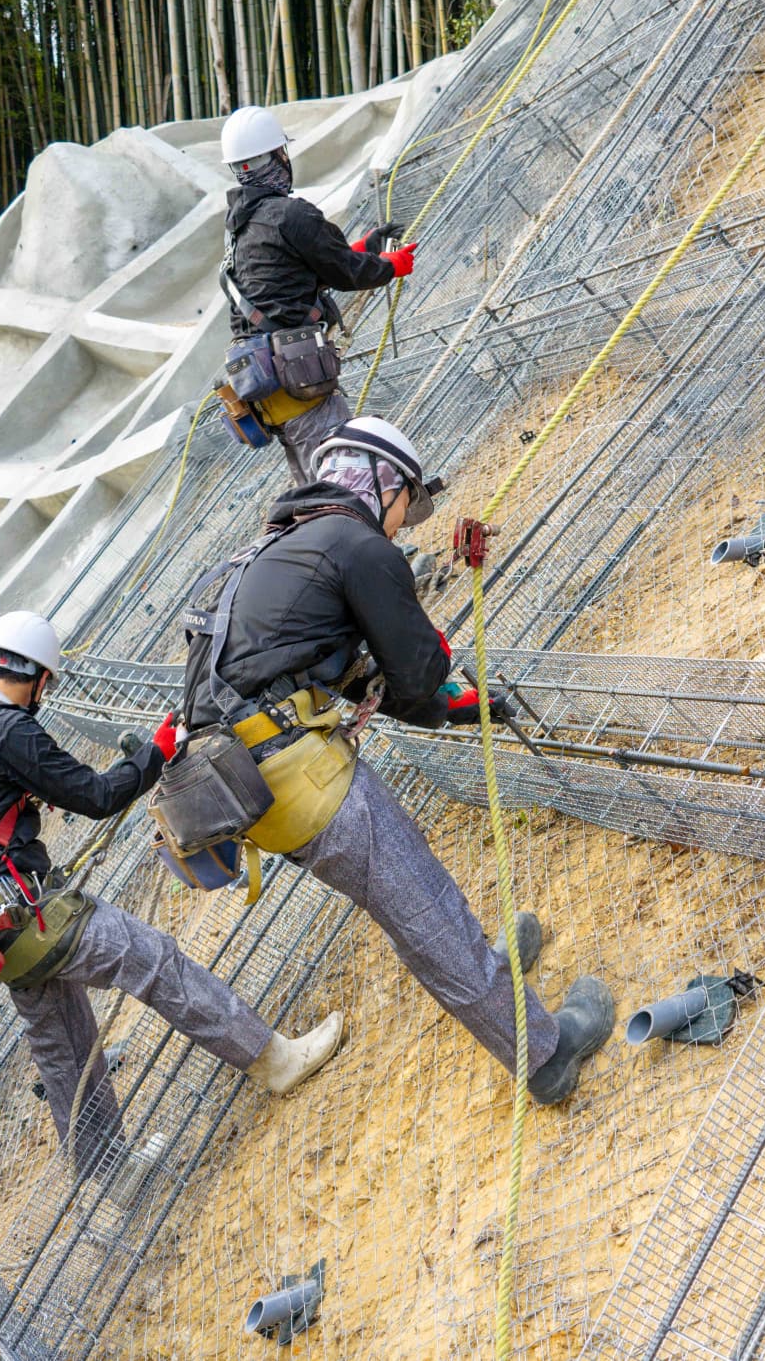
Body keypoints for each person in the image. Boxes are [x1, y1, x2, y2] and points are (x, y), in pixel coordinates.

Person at [169, 417, 615, 1105]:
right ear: (380, 481)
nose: (406, 524)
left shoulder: (264, 557)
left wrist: (457, 706)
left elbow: (351, 676)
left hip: (251, 790)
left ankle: (491, 976)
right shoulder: (358, 546)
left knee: (416, 905)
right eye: (409, 502)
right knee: (427, 913)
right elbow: (417, 668)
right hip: (305, 782)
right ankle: (546, 1055)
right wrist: (445, 691)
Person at [0, 610, 344, 1191]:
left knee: (64, 1050)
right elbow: (97, 795)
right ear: (38, 679)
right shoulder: (8, 729)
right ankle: (275, 1061)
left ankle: (110, 1176)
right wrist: (155, 751)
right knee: (153, 961)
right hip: (28, 917)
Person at [219, 105, 416, 484]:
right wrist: (391, 265)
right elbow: (344, 273)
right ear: (275, 157)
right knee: (342, 483)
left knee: (313, 483)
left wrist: (366, 247)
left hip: (269, 390)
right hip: (300, 382)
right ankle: (353, 542)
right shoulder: (290, 214)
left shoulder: (239, 229)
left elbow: (292, 279)